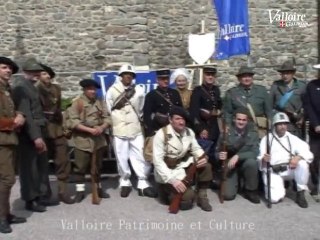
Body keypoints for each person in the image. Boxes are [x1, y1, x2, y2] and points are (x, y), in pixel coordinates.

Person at [106, 64, 157, 198]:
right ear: (121, 76)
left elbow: (140, 109)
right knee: (121, 156)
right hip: (119, 127)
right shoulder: (112, 90)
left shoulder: (139, 91)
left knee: (140, 155)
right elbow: (108, 109)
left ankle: (142, 182)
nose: (128, 76)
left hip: (135, 127)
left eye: (130, 74)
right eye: (125, 74)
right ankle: (125, 181)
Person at [12, 58, 56, 212]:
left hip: (39, 130)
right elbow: (26, 115)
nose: (36, 74)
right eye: (32, 71)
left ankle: (41, 195)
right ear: (25, 72)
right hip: (29, 134)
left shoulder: (32, 87)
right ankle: (30, 199)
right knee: (29, 168)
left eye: (37, 71)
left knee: (41, 166)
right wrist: (35, 136)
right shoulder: (21, 88)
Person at [153, 106, 213, 212]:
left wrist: (203, 157)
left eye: (183, 119)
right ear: (170, 120)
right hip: (168, 172)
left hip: (182, 165)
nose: (181, 122)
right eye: (177, 119)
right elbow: (158, 162)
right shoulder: (161, 134)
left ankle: (202, 196)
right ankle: (164, 191)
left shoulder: (189, 132)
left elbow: (196, 148)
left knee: (206, 166)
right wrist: (172, 180)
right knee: (187, 199)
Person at [36, 63, 74, 204]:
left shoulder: (56, 89)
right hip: (43, 130)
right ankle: (45, 193)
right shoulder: (35, 90)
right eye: (43, 74)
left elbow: (58, 107)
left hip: (57, 129)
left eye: (47, 74)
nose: (46, 76)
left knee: (63, 161)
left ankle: (63, 192)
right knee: (42, 163)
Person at [67, 79, 111, 202]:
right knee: (80, 167)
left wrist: (102, 127)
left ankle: (98, 188)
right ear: (84, 90)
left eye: (94, 89)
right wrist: (90, 130)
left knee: (98, 166)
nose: (92, 91)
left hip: (98, 139)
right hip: (83, 140)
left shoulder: (100, 101)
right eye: (90, 89)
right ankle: (80, 191)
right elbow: (73, 122)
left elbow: (108, 118)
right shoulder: (77, 103)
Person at [257, 112, 313, 208]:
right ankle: (279, 186)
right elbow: (260, 157)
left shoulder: (292, 138)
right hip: (274, 170)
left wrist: (297, 158)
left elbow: (307, 152)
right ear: (275, 125)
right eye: (280, 124)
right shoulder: (266, 139)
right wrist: (264, 159)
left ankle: (300, 192)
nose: (283, 126)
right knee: (274, 198)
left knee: (303, 164)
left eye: (285, 124)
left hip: (289, 168)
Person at [0, 57, 26, 234]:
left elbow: (10, 109)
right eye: (3, 68)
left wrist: (20, 114)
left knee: (7, 179)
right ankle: (2, 218)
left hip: (9, 140)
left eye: (9, 68)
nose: (8, 71)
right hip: (2, 141)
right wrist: (14, 122)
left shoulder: (6, 89)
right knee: (7, 179)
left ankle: (6, 213)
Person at [217, 108, 260, 203]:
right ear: (234, 119)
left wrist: (238, 156)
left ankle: (250, 190)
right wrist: (220, 156)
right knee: (228, 195)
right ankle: (233, 182)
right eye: (239, 119)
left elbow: (255, 152)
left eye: (244, 120)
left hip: (245, 163)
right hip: (230, 166)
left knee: (252, 163)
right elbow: (216, 152)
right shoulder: (225, 133)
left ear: (247, 121)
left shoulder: (253, 134)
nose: (241, 122)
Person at [224, 66, 271, 138]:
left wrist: (271, 127)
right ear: (239, 79)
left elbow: (268, 111)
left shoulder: (262, 91)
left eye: (249, 76)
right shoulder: (232, 93)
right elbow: (228, 112)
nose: (247, 79)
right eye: (244, 77)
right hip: (239, 128)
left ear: (252, 77)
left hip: (258, 129)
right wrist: (228, 126)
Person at [189, 66, 222, 159]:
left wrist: (219, 111)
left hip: (215, 127)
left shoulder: (216, 90)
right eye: (208, 75)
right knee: (203, 155)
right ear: (203, 76)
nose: (210, 77)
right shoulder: (197, 91)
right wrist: (200, 129)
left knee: (213, 153)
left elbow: (219, 104)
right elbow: (193, 112)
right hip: (204, 128)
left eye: (212, 75)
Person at [270, 60, 307, 138]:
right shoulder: (275, 85)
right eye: (283, 73)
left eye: (287, 73)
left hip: (296, 123)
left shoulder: (302, 86)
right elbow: (270, 105)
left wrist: (302, 118)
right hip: (281, 122)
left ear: (293, 74)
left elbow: (306, 105)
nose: (285, 76)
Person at [143, 69, 183, 137]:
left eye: (167, 78)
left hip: (174, 129)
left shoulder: (175, 93)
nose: (166, 81)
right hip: (158, 129)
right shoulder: (151, 95)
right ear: (157, 80)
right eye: (163, 79)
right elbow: (147, 116)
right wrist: (150, 132)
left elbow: (181, 111)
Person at [304, 63, 320, 198]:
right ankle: (315, 185)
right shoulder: (312, 86)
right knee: (313, 157)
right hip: (316, 130)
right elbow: (308, 106)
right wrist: (315, 124)